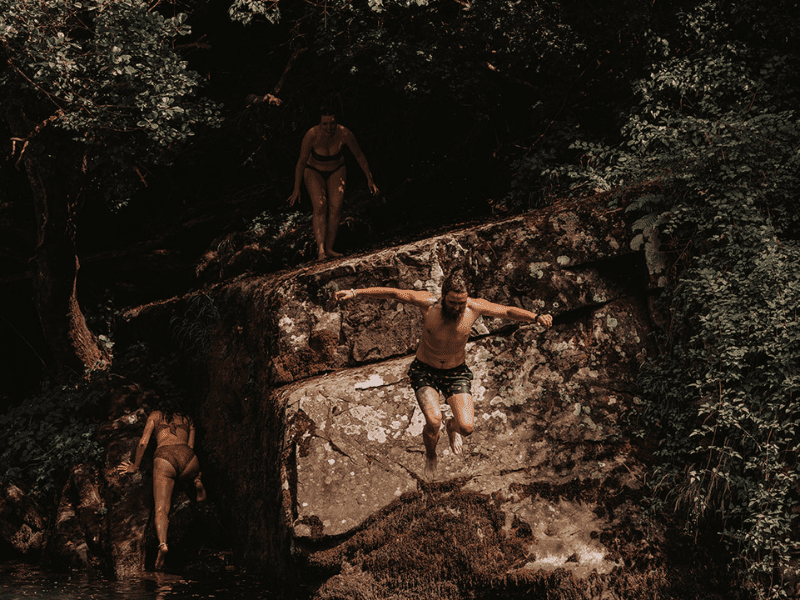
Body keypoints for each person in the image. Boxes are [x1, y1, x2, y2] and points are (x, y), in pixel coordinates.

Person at [335, 269, 553, 480]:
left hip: (455, 372)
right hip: (425, 371)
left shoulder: (474, 307)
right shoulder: (427, 304)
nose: (458, 307)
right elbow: (393, 292)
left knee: (466, 427)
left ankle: (452, 427)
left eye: (462, 302)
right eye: (453, 302)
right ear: (443, 296)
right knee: (433, 420)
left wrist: (535, 317)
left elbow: (506, 311)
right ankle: (431, 454)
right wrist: (355, 292)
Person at [117, 402, 207, 570]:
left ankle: (163, 545)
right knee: (190, 472)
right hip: (188, 458)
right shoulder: (188, 419)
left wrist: (135, 466)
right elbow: (191, 447)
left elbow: (143, 443)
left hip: (165, 458)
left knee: (161, 509)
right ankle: (196, 481)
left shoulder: (155, 415)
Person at [287, 106, 379, 261]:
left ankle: (330, 248)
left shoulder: (344, 133)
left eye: (332, 123)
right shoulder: (311, 135)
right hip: (313, 170)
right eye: (325, 124)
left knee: (336, 207)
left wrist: (370, 179)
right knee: (320, 205)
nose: (329, 128)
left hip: (337, 169)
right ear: (319, 124)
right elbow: (301, 162)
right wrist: (296, 188)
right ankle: (321, 250)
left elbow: (359, 155)